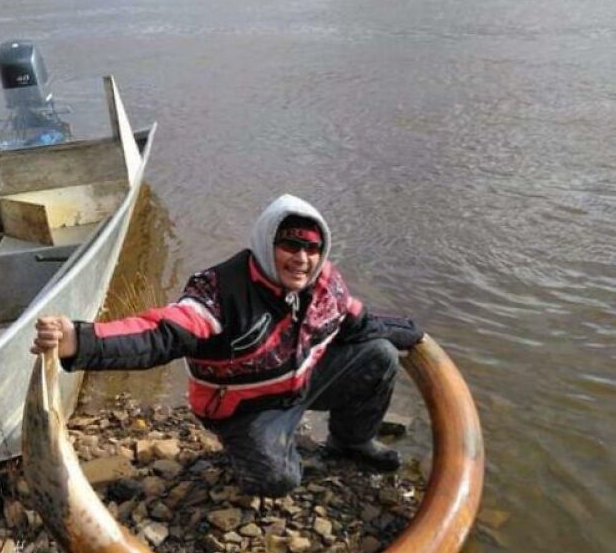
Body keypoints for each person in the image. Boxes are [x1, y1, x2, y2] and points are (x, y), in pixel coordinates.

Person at [32, 194, 423, 497]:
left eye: (312, 248)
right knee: (278, 480)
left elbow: (359, 323)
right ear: (267, 241)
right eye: (290, 245)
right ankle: (257, 450)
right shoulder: (219, 290)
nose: (302, 258)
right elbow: (159, 335)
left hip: (303, 382)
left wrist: (414, 334)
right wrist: (79, 340)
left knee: (380, 354)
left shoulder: (325, 283)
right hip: (246, 409)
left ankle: (350, 442)